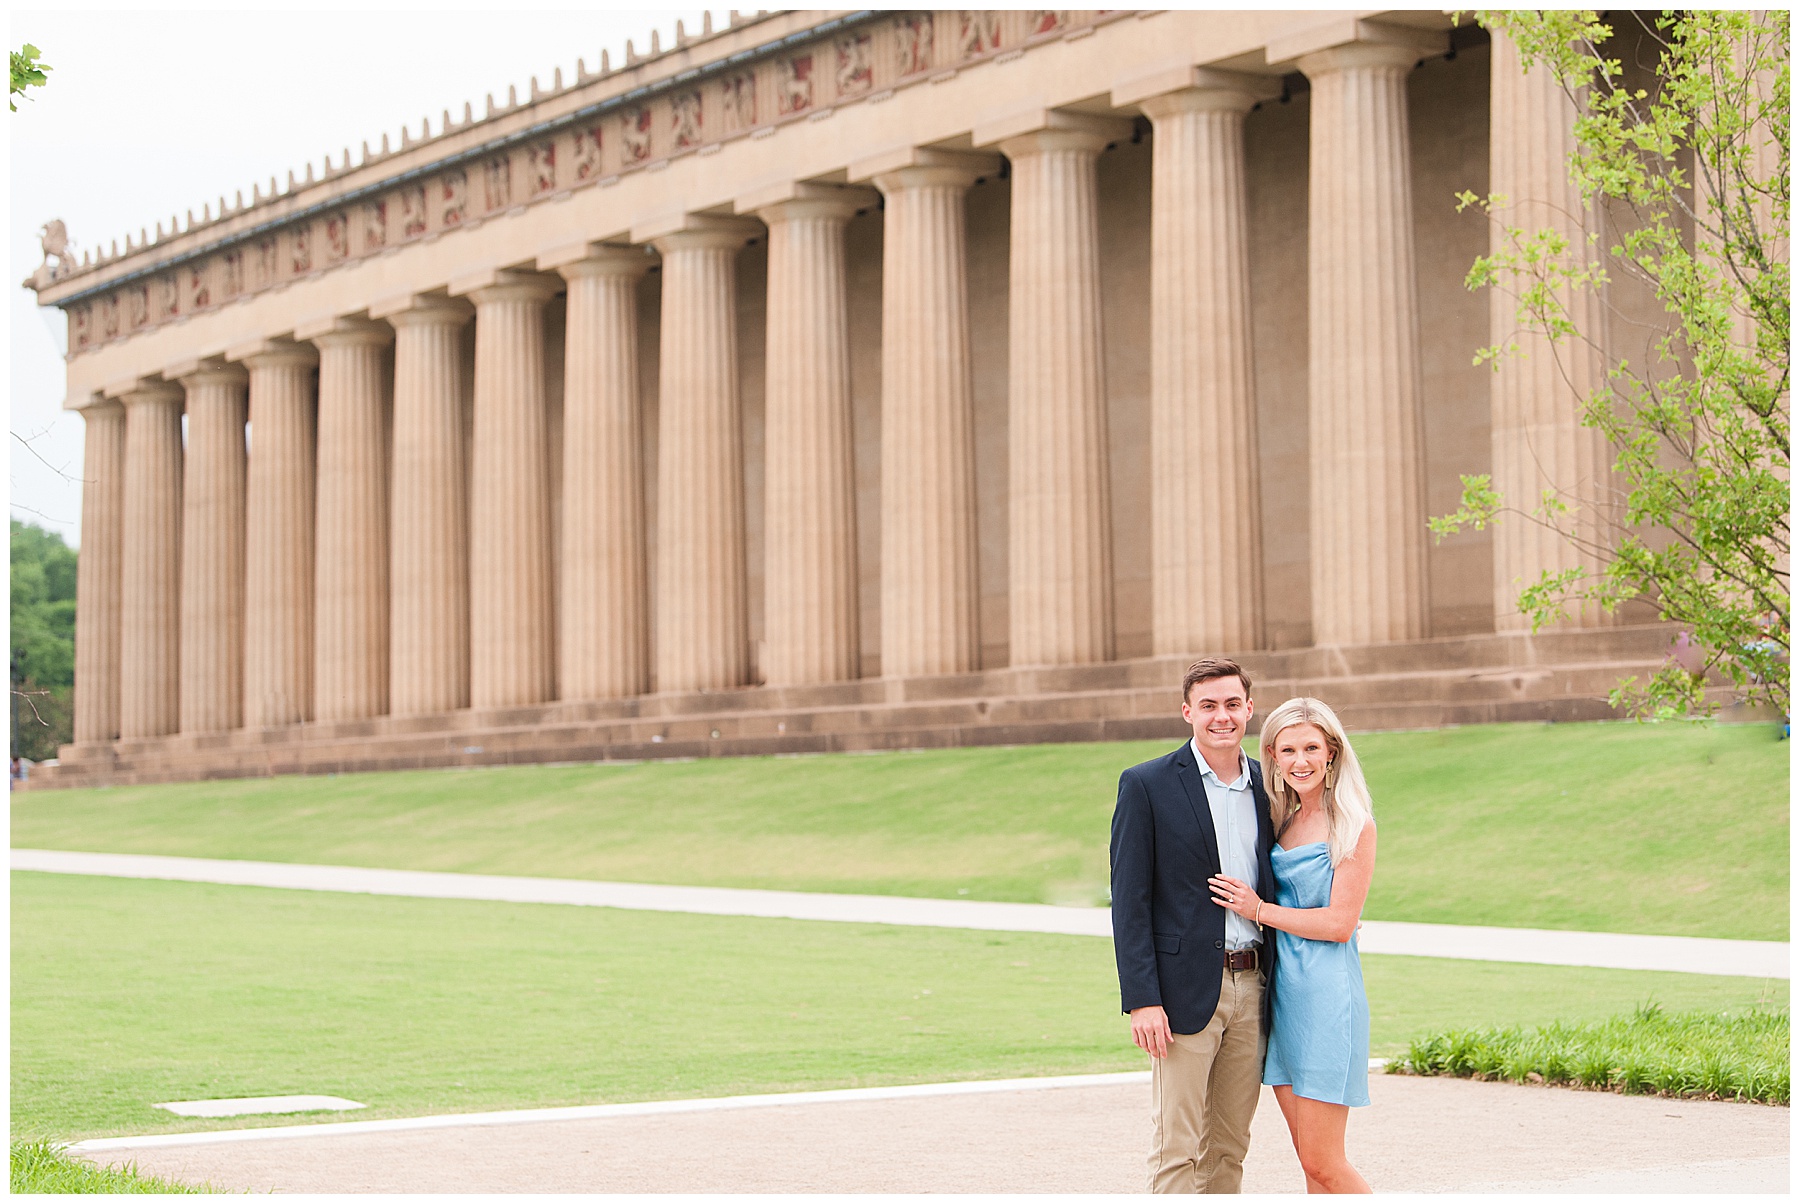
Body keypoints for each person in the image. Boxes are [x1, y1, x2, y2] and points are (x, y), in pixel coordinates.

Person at [1110, 657, 1278, 1193]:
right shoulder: (1147, 785)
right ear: (1188, 713)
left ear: (1249, 709)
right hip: (1181, 993)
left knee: (1229, 1145)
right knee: (1176, 1147)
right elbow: (1129, 901)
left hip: (1253, 987)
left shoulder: (1270, 788)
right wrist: (1142, 998)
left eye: (1232, 704)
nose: (1221, 716)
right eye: (1208, 706)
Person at [1209, 696, 1376, 1194]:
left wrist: (1258, 909)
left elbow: (1341, 924)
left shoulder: (1354, 823)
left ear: (1332, 753)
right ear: (1274, 758)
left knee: (1327, 1163)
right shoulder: (1280, 819)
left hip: (1326, 995)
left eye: (1311, 748)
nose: (1300, 760)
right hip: (1282, 995)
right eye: (1287, 750)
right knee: (1309, 1163)